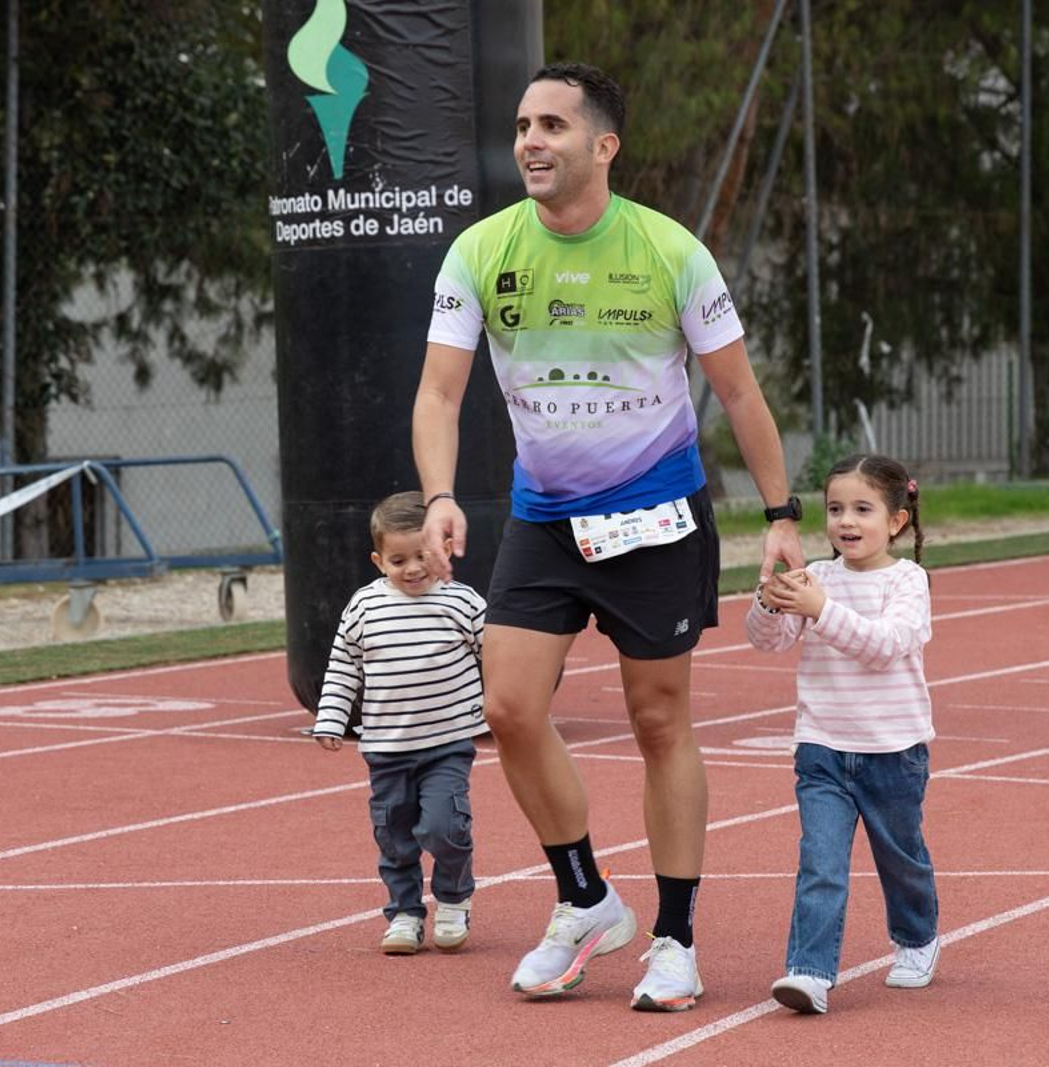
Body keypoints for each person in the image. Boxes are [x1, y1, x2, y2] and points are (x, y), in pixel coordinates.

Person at [412, 61, 804, 1011]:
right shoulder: (479, 251)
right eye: (521, 126)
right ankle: (586, 896)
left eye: (551, 125)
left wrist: (783, 516)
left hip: (657, 516)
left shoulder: (672, 252)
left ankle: (676, 937)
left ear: (603, 145)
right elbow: (439, 392)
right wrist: (438, 496)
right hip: (544, 516)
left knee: (660, 721)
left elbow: (740, 391)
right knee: (506, 706)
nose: (530, 142)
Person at [744, 454, 940, 1015]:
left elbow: (884, 646)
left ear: (896, 521)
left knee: (901, 859)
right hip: (822, 748)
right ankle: (809, 972)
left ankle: (916, 938)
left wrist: (821, 609)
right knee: (820, 863)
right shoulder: (818, 579)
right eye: (834, 510)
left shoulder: (907, 581)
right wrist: (767, 598)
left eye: (862, 509)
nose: (846, 522)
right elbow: (769, 640)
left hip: (893, 751)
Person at [312, 491, 488, 956]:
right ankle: (405, 912)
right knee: (394, 834)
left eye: (422, 556)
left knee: (443, 826)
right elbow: (344, 664)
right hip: (386, 747)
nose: (412, 568)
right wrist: (331, 716)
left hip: (447, 741)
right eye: (398, 559)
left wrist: (509, 710)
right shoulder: (365, 606)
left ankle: (453, 899)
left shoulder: (463, 602)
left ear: (445, 549)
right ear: (378, 560)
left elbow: (499, 657)